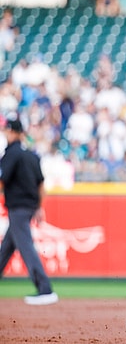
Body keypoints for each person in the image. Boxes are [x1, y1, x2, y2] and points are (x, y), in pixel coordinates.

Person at [0, 118, 58, 305]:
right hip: (30, 206)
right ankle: (44, 289)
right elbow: (41, 185)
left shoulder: (11, 153)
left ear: (13, 132)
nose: (7, 134)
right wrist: (40, 206)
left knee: (25, 246)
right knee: (7, 248)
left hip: (18, 207)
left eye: (8, 131)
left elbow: (2, 180)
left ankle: (45, 289)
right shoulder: (31, 156)